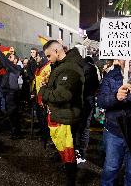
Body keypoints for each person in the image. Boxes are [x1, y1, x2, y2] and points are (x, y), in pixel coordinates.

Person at [39, 40, 85, 186]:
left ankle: (71, 179)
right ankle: (69, 173)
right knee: (66, 151)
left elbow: (63, 95)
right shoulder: (63, 66)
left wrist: (43, 90)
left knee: (68, 151)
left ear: (57, 51)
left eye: (48, 55)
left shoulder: (68, 68)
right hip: (63, 114)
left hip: (66, 116)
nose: (47, 59)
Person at [0, 42, 22, 138]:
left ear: (15, 60)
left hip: (12, 93)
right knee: (10, 113)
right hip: (7, 92)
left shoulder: (16, 68)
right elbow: (3, 62)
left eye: (11, 57)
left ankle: (16, 132)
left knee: (13, 113)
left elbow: (4, 61)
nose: (9, 58)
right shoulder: (9, 68)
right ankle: (14, 130)